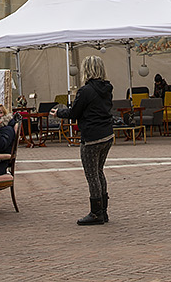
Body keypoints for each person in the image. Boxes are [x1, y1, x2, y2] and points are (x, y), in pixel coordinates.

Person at [56, 56, 114, 225]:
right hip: (107, 134)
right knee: (99, 171)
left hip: (92, 137)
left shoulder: (85, 90)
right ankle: (103, 210)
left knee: (92, 175)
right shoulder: (107, 88)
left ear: (86, 70)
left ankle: (96, 213)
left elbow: (74, 113)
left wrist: (59, 112)